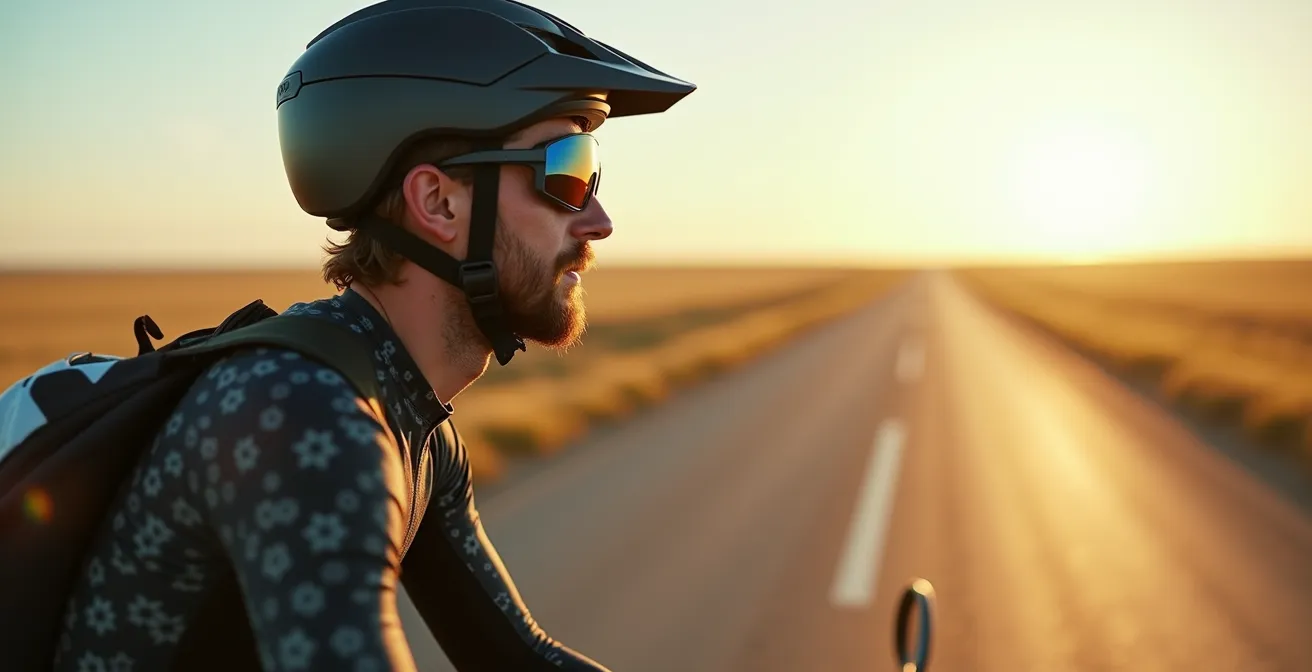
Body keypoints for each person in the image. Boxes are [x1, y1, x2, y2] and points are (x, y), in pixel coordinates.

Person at [51, 1, 695, 669]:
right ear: (438, 203)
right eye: (565, 171)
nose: (598, 220)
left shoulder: (409, 421)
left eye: (591, 172)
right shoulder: (305, 419)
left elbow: (517, 655)